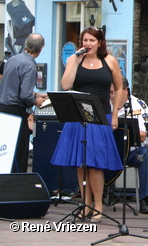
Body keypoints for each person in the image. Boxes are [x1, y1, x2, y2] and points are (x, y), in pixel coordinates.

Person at [51, 27, 123, 222]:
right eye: (85, 40)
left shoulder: (109, 61)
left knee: (96, 164)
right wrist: (73, 61)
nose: (88, 44)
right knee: (81, 163)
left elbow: (119, 88)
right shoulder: (74, 60)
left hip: (100, 117)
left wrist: (115, 114)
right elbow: (66, 85)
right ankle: (86, 204)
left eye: (92, 40)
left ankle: (98, 205)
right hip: (78, 116)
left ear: (100, 42)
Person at [0, 33, 47, 173]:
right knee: (20, 151)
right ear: (40, 49)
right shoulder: (30, 65)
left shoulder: (12, 60)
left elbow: (12, 87)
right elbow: (25, 95)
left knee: (6, 150)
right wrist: (36, 100)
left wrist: (37, 93)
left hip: (3, 108)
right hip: (16, 111)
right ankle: (18, 185)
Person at [114, 78, 148, 215]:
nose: (112, 96)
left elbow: (144, 135)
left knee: (147, 155)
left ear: (125, 90)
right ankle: (96, 198)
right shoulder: (105, 103)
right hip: (112, 149)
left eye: (115, 92)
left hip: (132, 151)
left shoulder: (139, 105)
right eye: (111, 92)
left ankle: (145, 199)